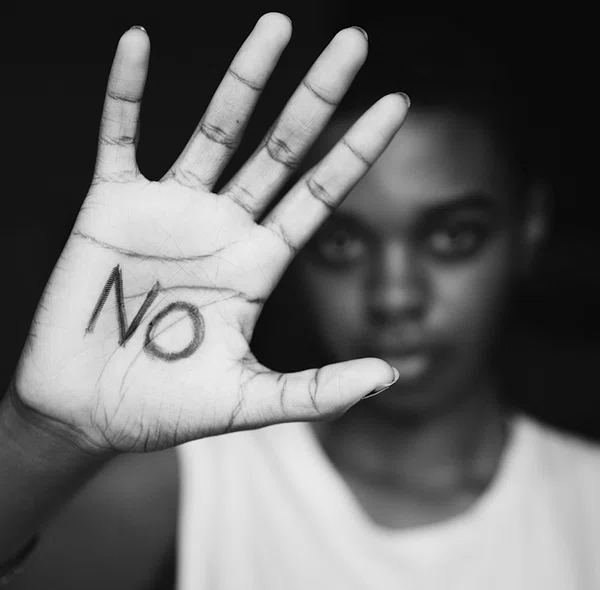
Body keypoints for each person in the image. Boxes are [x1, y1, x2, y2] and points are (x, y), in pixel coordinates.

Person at [0, 12, 598, 590]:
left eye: (452, 237)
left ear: (530, 227)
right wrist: (41, 436)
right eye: (340, 243)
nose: (395, 296)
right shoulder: (190, 484)